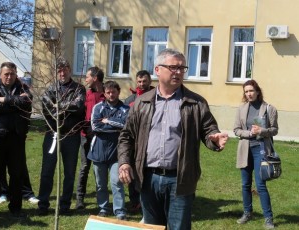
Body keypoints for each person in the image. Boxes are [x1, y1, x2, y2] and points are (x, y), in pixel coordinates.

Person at [117, 48, 229, 229]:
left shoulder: (196, 102)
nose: (178, 72)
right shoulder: (142, 101)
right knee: (152, 228)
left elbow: (209, 129)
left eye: (182, 68)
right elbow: (127, 135)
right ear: (158, 70)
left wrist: (213, 139)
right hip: (148, 178)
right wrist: (124, 162)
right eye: (173, 67)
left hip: (180, 179)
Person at [0, 62, 33, 220]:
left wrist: (5, 99)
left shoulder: (23, 88)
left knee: (16, 175)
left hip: (16, 137)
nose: (9, 77)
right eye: (6, 74)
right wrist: (15, 102)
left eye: (12, 74)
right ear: (0, 74)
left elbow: (27, 103)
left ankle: (16, 208)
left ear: (16, 74)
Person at [37, 58, 86, 216]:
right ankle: (43, 204)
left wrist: (58, 106)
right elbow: (46, 109)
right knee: (47, 171)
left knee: (70, 173)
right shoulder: (51, 89)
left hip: (71, 136)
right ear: (56, 72)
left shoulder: (78, 89)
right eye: (59, 70)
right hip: (53, 135)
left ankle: (65, 206)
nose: (62, 73)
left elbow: (78, 106)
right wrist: (61, 109)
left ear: (69, 70)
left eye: (65, 69)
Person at [233, 79, 278, 229]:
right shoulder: (241, 109)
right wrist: (249, 133)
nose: (249, 94)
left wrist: (262, 131)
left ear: (257, 91)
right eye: (246, 91)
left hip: (261, 150)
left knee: (260, 185)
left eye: (251, 90)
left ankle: (268, 218)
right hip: (245, 149)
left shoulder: (269, 108)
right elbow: (236, 130)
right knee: (245, 184)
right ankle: (247, 212)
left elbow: (274, 130)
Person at [88, 80, 129, 220]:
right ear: (104, 93)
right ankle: (103, 208)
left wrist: (108, 121)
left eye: (114, 92)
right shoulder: (98, 107)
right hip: (98, 151)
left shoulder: (125, 108)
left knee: (116, 182)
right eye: (108, 92)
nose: (111, 95)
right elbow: (95, 126)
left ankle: (120, 211)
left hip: (117, 152)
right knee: (100, 184)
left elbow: (125, 126)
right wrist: (114, 127)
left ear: (118, 92)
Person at [123, 70, 154, 213]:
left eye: (144, 81)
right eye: (139, 82)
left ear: (150, 81)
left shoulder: (156, 98)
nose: (142, 84)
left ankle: (148, 201)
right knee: (133, 173)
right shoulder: (130, 101)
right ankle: (134, 201)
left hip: (150, 142)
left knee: (147, 173)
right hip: (133, 142)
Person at [76, 66, 105, 210]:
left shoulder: (107, 94)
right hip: (85, 136)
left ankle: (102, 200)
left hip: (102, 138)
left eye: (87, 76)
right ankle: (80, 198)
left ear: (95, 78)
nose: (85, 79)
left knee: (99, 169)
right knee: (85, 166)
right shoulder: (86, 94)